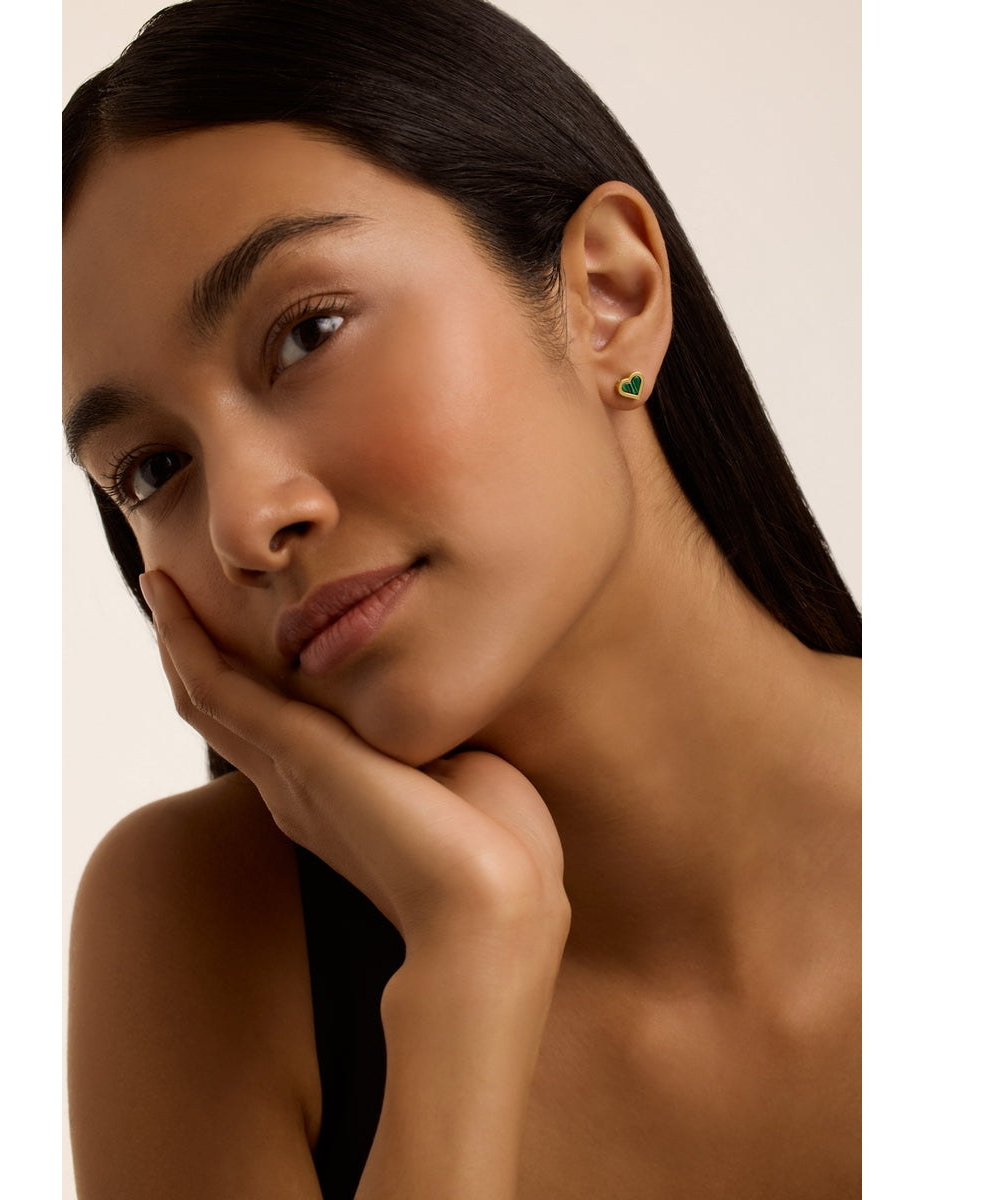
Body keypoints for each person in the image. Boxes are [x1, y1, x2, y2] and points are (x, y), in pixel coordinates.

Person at [62, 0, 861, 1196]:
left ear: (608, 292)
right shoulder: (203, 933)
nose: (242, 523)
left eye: (308, 334)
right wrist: (467, 970)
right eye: (152, 469)